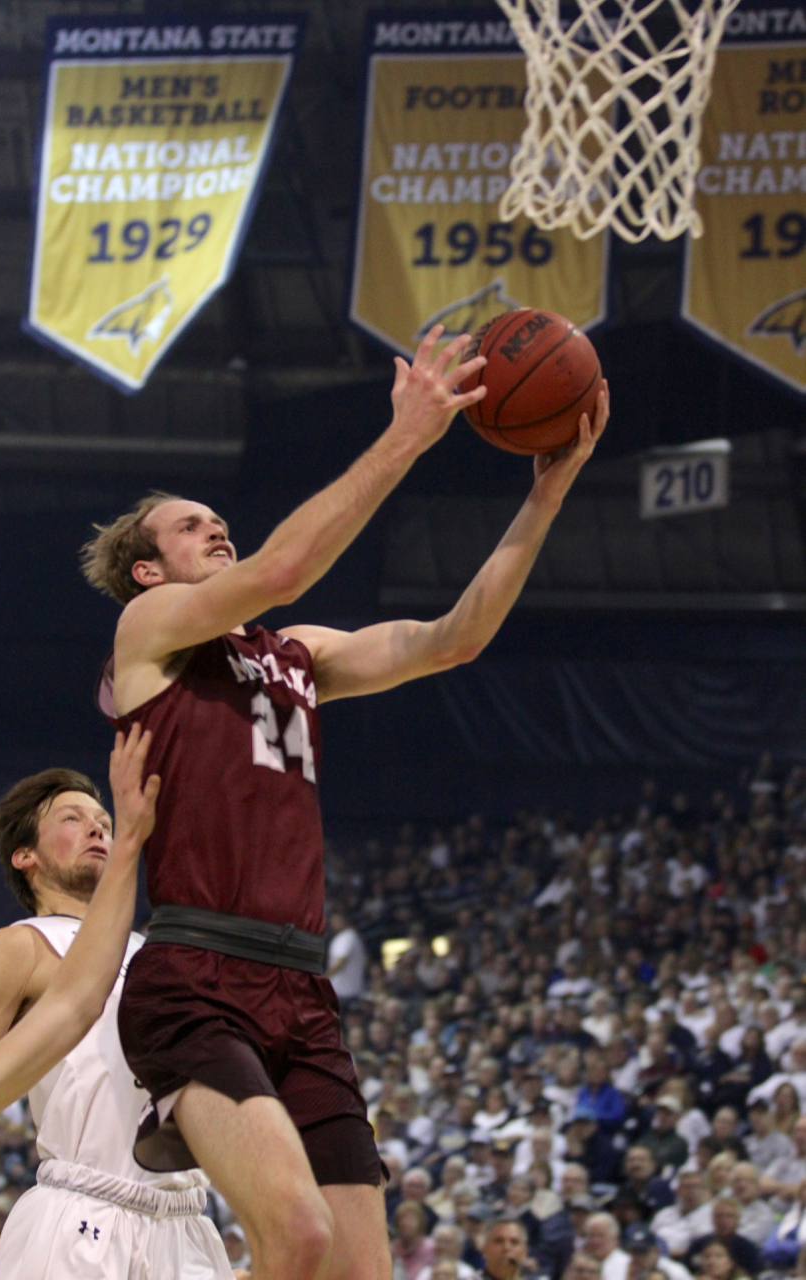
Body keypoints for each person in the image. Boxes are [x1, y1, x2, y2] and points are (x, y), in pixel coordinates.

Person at [82, 324, 610, 1280]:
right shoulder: (149, 628)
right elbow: (282, 568)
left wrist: (547, 491)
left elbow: (452, 639)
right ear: (149, 570)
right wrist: (406, 435)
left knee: (362, 1270)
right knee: (297, 1235)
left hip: (302, 987)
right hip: (196, 972)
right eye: (190, 527)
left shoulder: (299, 654)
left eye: (217, 519)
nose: (216, 529)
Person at [0, 730, 230, 1280]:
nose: (97, 827)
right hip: (81, 1216)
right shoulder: (20, 946)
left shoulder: (158, 954)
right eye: (72, 818)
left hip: (187, 1226)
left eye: (103, 819)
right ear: (25, 855)